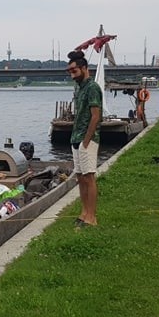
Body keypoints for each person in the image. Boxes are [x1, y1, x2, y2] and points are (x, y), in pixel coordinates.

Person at [66, 50, 102, 227]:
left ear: (84, 68)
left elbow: (95, 115)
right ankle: (84, 212)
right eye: (70, 71)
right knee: (80, 177)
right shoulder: (79, 88)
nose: (72, 75)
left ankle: (92, 216)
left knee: (89, 177)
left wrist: (87, 140)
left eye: (74, 71)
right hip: (76, 137)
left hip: (86, 139)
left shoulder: (92, 87)